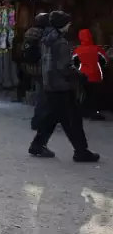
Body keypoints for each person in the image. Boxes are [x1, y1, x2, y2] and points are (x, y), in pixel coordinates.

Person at [29, 11, 100, 162]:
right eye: (68, 23)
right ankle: (81, 151)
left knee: (52, 118)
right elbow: (64, 67)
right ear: (63, 24)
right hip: (62, 86)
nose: (69, 26)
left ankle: (37, 145)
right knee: (72, 119)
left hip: (49, 83)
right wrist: (79, 75)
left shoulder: (46, 40)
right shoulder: (61, 43)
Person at [72, 28, 108, 120]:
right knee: (94, 96)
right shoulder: (97, 49)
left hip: (82, 75)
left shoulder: (77, 50)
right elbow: (105, 61)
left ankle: (84, 111)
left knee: (84, 94)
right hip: (96, 75)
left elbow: (73, 63)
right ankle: (94, 113)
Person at [22, 13, 49, 130]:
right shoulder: (44, 33)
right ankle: (39, 120)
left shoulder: (29, 32)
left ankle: (39, 119)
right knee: (43, 95)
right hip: (41, 66)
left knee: (40, 92)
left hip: (30, 66)